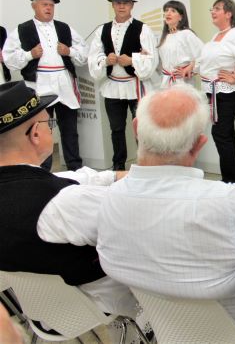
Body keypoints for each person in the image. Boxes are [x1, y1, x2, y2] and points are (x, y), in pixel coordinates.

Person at [96, 84, 235, 343]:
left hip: (161, 326)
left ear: (135, 128)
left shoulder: (110, 200)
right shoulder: (230, 202)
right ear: (199, 144)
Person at [0, 81, 137, 318]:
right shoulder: (62, 201)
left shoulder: (29, 186)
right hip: (101, 303)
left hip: (37, 310)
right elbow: (133, 221)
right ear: (35, 134)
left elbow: (71, 179)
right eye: (49, 123)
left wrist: (117, 176)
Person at [2, 0, 88, 171]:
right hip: (39, 84)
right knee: (41, 131)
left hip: (64, 84)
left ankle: (75, 168)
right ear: (34, 6)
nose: (48, 8)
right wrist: (29, 55)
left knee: (70, 129)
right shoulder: (22, 29)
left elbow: (84, 53)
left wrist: (69, 51)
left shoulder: (65, 28)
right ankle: (43, 170)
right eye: (44, 5)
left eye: (51, 5)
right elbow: (9, 59)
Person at [88, 0, 158, 170]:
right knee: (116, 129)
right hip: (113, 87)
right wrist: (106, 60)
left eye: (125, 3)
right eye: (118, 3)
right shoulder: (102, 30)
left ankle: (145, 166)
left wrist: (132, 60)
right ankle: (118, 167)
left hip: (136, 87)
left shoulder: (143, 29)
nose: (121, 6)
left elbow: (152, 60)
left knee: (141, 129)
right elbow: (93, 57)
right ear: (113, 5)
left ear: (132, 5)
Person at [197, 0, 235, 184]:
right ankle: (232, 179)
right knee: (225, 133)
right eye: (212, 8)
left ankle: (230, 180)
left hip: (230, 90)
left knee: (221, 133)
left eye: (217, 9)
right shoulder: (218, 35)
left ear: (229, 14)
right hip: (216, 91)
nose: (212, 12)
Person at [157, 0, 203, 88]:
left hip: (183, 83)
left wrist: (191, 67)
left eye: (173, 11)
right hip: (166, 83)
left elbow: (203, 54)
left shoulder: (186, 34)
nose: (168, 13)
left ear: (181, 17)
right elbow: (158, 62)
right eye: (166, 10)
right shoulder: (162, 37)